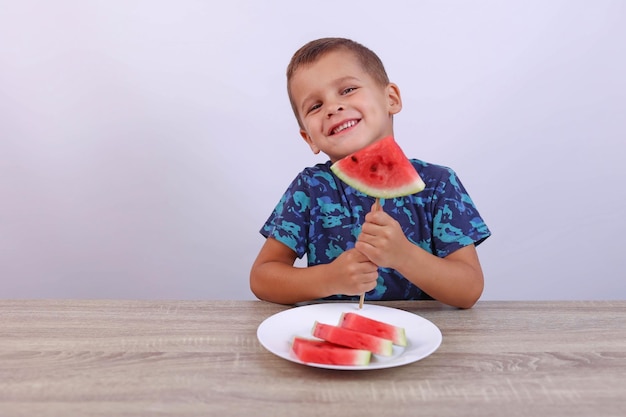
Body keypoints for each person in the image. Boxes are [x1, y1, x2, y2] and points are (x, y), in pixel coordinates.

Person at [250, 37, 491, 308]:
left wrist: (405, 256)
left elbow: (468, 289)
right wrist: (328, 278)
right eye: (315, 106)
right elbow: (262, 277)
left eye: (348, 89)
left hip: (418, 339)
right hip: (338, 333)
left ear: (391, 99)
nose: (332, 108)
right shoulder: (311, 187)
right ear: (310, 139)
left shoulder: (438, 184)